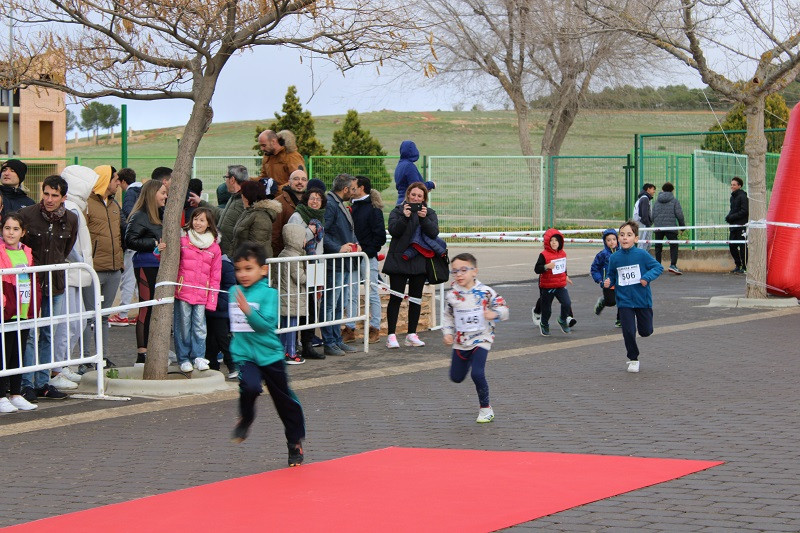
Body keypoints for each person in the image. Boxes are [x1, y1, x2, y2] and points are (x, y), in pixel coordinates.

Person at [229, 242, 306, 467]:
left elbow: (267, 325)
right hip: (244, 354)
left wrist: (248, 312)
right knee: (250, 387)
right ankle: (246, 417)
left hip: (270, 355)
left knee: (284, 401)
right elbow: (234, 325)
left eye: (248, 268)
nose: (242, 274)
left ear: (263, 269)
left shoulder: (270, 294)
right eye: (238, 269)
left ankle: (294, 442)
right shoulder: (234, 291)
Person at [17, 175, 78, 401]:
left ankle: (43, 382)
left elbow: (67, 247)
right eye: (46, 194)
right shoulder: (27, 215)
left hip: (55, 283)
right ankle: (26, 383)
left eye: (55, 195)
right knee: (30, 334)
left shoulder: (71, 219)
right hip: (30, 282)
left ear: (64, 197)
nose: (49, 199)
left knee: (48, 333)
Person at [442, 253, 509, 424]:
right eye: (455, 271)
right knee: (456, 377)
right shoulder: (452, 295)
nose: (459, 275)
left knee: (477, 373)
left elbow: (504, 309)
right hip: (461, 342)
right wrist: (447, 333)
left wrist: (494, 313)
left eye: (463, 270)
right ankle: (468, 359)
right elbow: (448, 316)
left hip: (482, 338)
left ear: (475, 271)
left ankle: (485, 409)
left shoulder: (486, 292)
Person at [51, 165, 100, 388]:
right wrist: (80, 262)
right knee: (68, 323)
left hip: (74, 272)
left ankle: (63, 364)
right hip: (70, 273)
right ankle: (56, 369)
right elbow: (68, 243)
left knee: (76, 321)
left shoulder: (74, 207)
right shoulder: (71, 207)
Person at [383, 182, 443, 349]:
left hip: (419, 260)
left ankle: (411, 334)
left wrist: (424, 219)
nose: (416, 198)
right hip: (399, 259)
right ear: (408, 195)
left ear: (424, 198)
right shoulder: (397, 211)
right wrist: (405, 216)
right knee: (396, 297)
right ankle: (391, 335)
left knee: (416, 299)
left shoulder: (429, 213)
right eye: (413, 195)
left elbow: (433, 233)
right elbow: (394, 231)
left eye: (420, 196)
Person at [604, 220, 664, 373]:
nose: (625, 238)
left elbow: (658, 267)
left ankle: (645, 329)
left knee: (645, 331)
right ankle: (633, 358)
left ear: (636, 239)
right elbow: (611, 275)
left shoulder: (642, 254)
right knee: (628, 331)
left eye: (629, 235)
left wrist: (647, 277)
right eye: (622, 235)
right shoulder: (614, 258)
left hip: (642, 299)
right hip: (624, 301)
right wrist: (608, 281)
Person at [125, 179, 168, 366]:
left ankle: (155, 348)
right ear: (152, 194)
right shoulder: (139, 216)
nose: (166, 196)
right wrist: (154, 244)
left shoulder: (162, 213)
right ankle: (141, 353)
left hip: (160, 266)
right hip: (145, 265)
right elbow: (130, 240)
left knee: (159, 308)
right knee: (146, 306)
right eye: (163, 193)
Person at [174, 207, 222, 373]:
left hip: (202, 293)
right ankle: (184, 358)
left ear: (209, 223)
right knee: (183, 326)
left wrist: (212, 300)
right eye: (195, 219)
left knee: (200, 327)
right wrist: (159, 250)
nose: (198, 223)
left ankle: (199, 356)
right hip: (184, 291)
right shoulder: (183, 241)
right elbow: (169, 259)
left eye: (202, 220)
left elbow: (216, 276)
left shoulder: (214, 247)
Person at [0, 213, 40, 413]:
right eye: (7, 228)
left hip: (23, 310)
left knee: (18, 354)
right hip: (5, 311)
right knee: (3, 354)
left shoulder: (28, 252)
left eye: (15, 229)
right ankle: (1, 395)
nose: (11, 232)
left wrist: (34, 306)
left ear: (23, 232)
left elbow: (32, 280)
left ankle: (16, 393)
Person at [321, 174, 360, 356]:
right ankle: (329, 341)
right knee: (330, 304)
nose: (354, 192)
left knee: (338, 305)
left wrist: (354, 243)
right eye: (352, 189)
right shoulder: (330, 204)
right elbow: (324, 232)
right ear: (345, 189)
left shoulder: (337, 204)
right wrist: (338, 248)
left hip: (343, 263)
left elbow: (345, 231)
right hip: (334, 263)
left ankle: (336, 340)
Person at [86, 165, 124, 350]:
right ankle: (85, 357)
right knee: (87, 316)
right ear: (105, 180)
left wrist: (120, 263)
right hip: (93, 271)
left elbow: (120, 235)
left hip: (114, 270)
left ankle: (102, 358)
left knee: (103, 316)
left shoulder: (114, 204)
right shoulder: (86, 204)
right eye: (115, 179)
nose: (118, 183)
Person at [287, 187, 326, 361]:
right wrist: (310, 231)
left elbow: (320, 246)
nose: (315, 201)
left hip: (315, 265)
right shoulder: (297, 216)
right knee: (299, 306)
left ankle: (308, 343)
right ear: (306, 200)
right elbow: (296, 240)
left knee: (312, 307)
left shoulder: (320, 218)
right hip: (300, 266)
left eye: (318, 199)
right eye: (312, 198)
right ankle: (294, 345)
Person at [349, 176, 387, 344]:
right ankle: (349, 328)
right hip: (351, 256)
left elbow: (380, 237)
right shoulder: (351, 207)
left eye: (353, 187)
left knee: (372, 293)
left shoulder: (373, 209)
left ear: (361, 188)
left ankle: (374, 328)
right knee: (351, 293)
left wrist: (367, 251)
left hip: (367, 257)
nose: (350, 190)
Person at [110, 167, 140, 326]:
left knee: (128, 278)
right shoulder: (143, 190)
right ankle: (142, 311)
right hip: (144, 242)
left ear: (122, 181)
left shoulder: (130, 193)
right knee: (137, 280)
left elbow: (129, 214)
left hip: (133, 242)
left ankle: (122, 313)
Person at [275, 224, 309, 365]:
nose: (305, 241)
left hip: (284, 295)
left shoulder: (283, 253)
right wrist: (311, 277)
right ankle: (291, 352)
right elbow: (300, 278)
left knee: (284, 325)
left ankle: (283, 351)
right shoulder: (295, 257)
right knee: (292, 327)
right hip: (292, 296)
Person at [196, 165, 247, 257]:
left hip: (233, 258)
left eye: (226, 177)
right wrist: (201, 202)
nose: (225, 181)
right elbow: (221, 214)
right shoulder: (234, 198)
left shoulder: (243, 202)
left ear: (232, 180)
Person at [533, 228, 573, 336]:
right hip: (547, 286)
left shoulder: (563, 254)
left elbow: (563, 267)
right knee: (547, 309)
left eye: (556, 240)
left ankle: (562, 320)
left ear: (560, 242)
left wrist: (566, 276)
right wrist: (546, 266)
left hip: (560, 285)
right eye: (551, 240)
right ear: (547, 242)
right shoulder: (544, 255)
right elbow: (537, 269)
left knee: (567, 303)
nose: (554, 242)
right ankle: (544, 324)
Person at [231, 179, 281, 257]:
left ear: (247, 197)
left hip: (252, 264)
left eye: (242, 194)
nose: (241, 196)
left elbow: (257, 248)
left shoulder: (261, 217)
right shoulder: (248, 212)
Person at [651, 182, 685, 275]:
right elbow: (679, 215)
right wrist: (682, 227)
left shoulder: (657, 201)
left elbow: (652, 215)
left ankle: (658, 265)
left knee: (658, 247)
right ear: (672, 190)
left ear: (662, 190)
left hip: (658, 228)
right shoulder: (674, 201)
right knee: (673, 246)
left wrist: (650, 225)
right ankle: (673, 265)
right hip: (671, 227)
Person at [272, 169, 308, 255]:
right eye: (296, 179)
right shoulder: (278, 203)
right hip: (285, 257)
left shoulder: (310, 203)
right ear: (289, 182)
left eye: (303, 179)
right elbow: (274, 234)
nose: (300, 182)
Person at [591, 228, 622, 328]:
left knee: (622, 300)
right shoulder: (602, 255)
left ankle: (620, 320)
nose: (612, 242)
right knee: (611, 301)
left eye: (614, 239)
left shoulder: (622, 252)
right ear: (605, 242)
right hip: (608, 283)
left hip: (621, 282)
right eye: (609, 240)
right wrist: (600, 280)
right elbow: (594, 268)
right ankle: (603, 302)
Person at [394, 140, 435, 205]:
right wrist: (431, 184)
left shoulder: (399, 165)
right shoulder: (409, 166)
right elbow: (416, 186)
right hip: (410, 204)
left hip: (400, 201)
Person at [725, 176, 749, 274]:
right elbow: (733, 210)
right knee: (732, 246)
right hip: (733, 226)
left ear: (739, 186)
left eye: (734, 185)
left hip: (741, 226)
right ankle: (738, 265)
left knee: (743, 247)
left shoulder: (743, 196)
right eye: (731, 185)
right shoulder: (733, 197)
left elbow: (744, 211)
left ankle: (745, 266)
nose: (732, 186)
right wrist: (729, 217)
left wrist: (732, 217)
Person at [633, 183, 656, 250]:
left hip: (642, 224)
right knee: (643, 242)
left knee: (644, 242)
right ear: (648, 189)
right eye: (653, 189)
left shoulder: (643, 198)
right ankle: (640, 258)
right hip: (644, 224)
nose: (654, 191)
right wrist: (648, 225)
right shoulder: (645, 199)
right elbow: (644, 214)